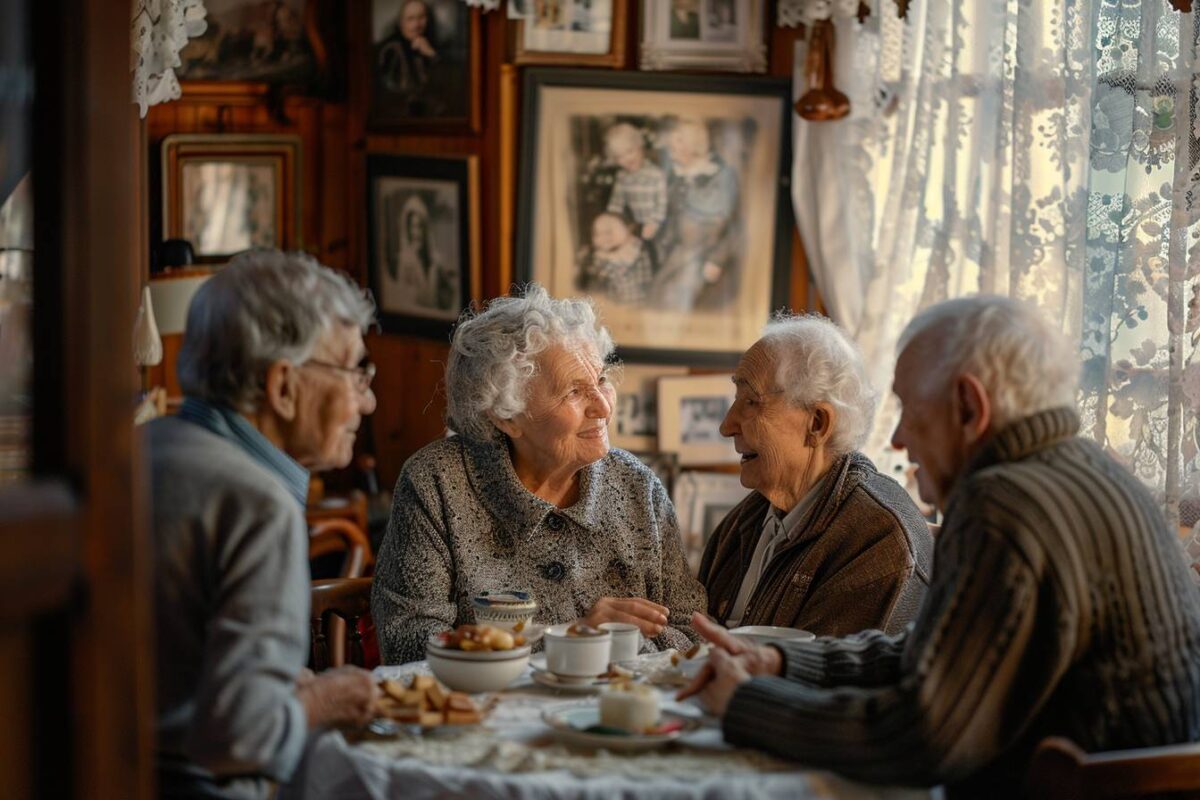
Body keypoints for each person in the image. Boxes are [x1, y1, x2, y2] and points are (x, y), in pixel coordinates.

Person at [680, 296, 1200, 798]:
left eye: (908, 408)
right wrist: (782, 663)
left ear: (970, 406)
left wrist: (749, 703)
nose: (900, 438)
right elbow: (932, 651)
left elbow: (922, 735)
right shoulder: (1085, 470)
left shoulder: (1002, 503)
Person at [146, 250, 381, 799]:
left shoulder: (136, 449)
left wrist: (275, 689)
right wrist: (321, 701)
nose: (366, 401)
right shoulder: (256, 503)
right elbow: (241, 740)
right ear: (282, 387)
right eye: (353, 371)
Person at [372, 285, 706, 664]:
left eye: (600, 381)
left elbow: (693, 633)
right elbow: (408, 642)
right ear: (507, 415)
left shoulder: (638, 487)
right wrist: (571, 640)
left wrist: (617, 645)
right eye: (574, 392)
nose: (602, 407)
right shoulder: (437, 483)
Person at [699, 314, 932, 636]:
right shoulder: (746, 520)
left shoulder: (878, 538)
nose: (727, 426)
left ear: (818, 424)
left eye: (752, 402)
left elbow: (827, 680)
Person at [652, 117, 740, 311]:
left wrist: (716, 259)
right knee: (659, 296)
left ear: (692, 147)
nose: (672, 154)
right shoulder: (677, 174)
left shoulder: (722, 176)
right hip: (673, 250)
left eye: (676, 148)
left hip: (701, 256)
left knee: (679, 303)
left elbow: (735, 226)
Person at [604, 123, 667, 243]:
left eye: (630, 151)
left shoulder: (656, 174)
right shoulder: (622, 176)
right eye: (620, 157)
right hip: (636, 225)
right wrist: (611, 220)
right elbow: (616, 203)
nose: (627, 159)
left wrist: (654, 223)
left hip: (659, 225)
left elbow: (661, 205)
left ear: (640, 146)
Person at [376, 0, 441, 116]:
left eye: (421, 17)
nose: (417, 25)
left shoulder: (429, 45)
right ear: (401, 22)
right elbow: (392, 93)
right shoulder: (391, 50)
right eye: (410, 19)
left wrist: (431, 55)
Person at [577, 212, 654, 304]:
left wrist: (600, 256)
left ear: (629, 228)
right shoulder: (599, 256)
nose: (603, 237)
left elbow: (618, 271)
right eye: (597, 233)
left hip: (635, 303)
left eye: (609, 231)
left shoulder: (635, 248)